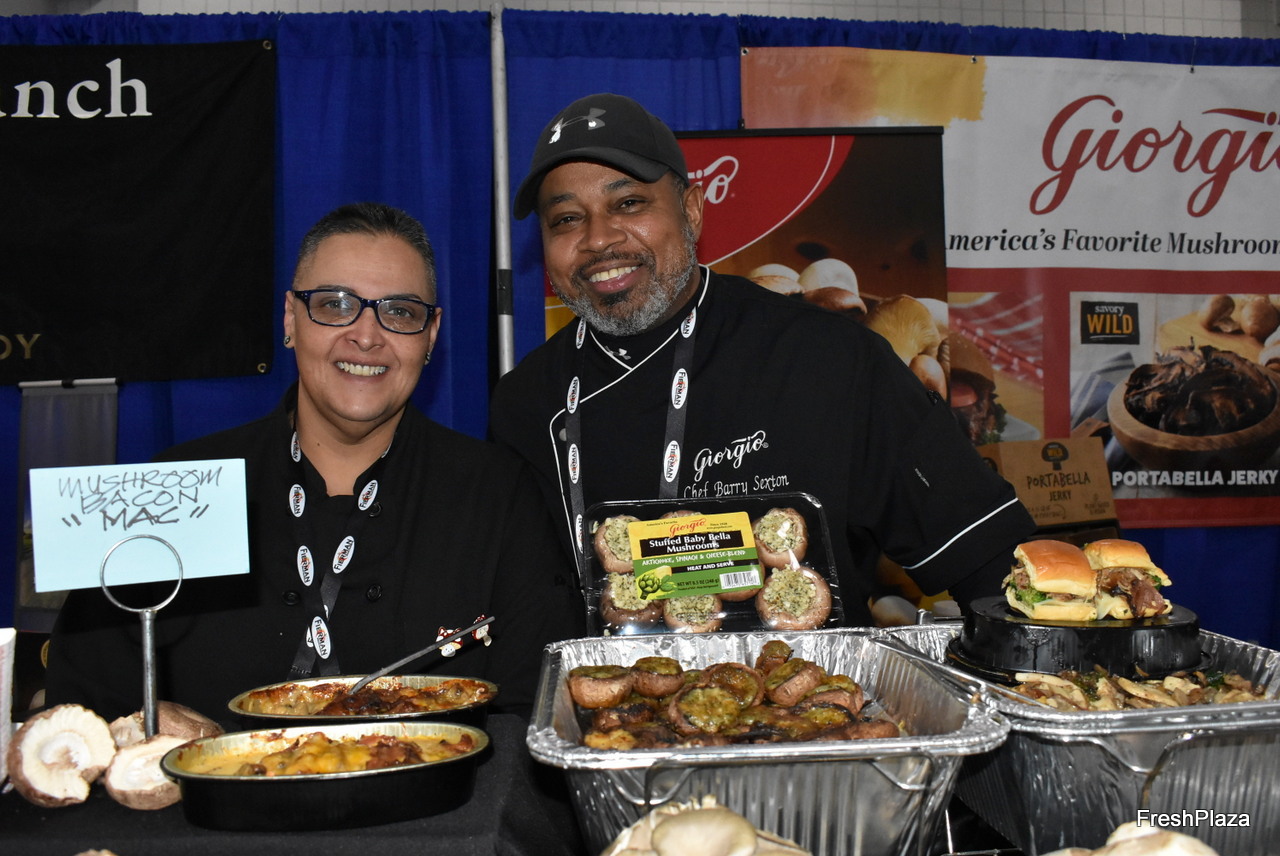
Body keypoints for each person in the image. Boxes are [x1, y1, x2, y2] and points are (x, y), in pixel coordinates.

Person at [490, 93, 1036, 624]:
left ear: (691, 211)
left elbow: (988, 559)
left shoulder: (829, 358)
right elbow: (519, 609)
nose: (598, 239)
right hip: (608, 688)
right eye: (566, 219)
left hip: (808, 684)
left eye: (628, 204)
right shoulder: (527, 402)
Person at [45, 202, 583, 722]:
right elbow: (82, 710)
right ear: (290, 318)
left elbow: (533, 712)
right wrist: (141, 726)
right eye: (335, 304)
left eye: (399, 312)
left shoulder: (498, 496)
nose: (366, 336)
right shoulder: (173, 489)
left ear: (430, 336)